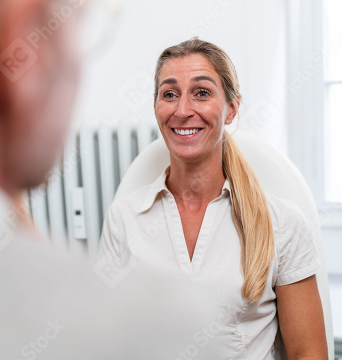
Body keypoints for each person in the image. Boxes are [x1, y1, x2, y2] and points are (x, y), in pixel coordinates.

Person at [0, 2, 223, 359]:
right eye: (81, 30)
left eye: (202, 93)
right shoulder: (149, 328)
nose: (182, 110)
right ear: (19, 47)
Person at [99, 38, 328, 359]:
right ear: (156, 108)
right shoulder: (123, 218)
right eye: (169, 94)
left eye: (202, 93)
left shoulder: (283, 223)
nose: (182, 110)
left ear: (232, 108)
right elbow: (109, 341)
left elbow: (309, 352)